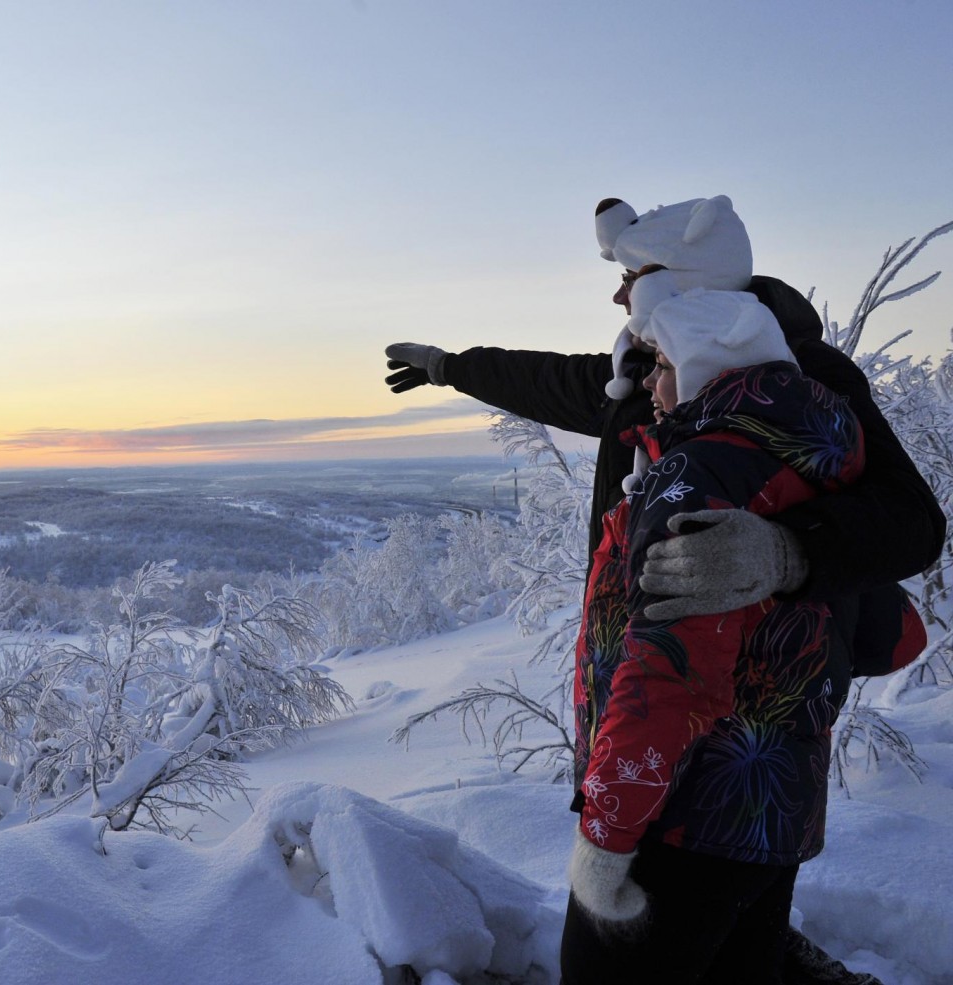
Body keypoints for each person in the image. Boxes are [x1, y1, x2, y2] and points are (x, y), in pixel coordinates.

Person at [383, 196, 943, 984]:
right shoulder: (654, 374)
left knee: (649, 937)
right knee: (728, 928)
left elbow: (913, 522)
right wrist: (452, 366)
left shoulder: (805, 378)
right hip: (737, 766)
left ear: (690, 284)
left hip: (708, 744)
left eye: (635, 274)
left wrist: (788, 552)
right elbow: (549, 379)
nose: (618, 294)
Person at [556, 268, 909, 983]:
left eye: (661, 364)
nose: (649, 383)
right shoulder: (814, 459)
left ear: (702, 368)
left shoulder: (695, 474)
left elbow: (667, 673)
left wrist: (607, 832)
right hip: (777, 814)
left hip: (682, 816)